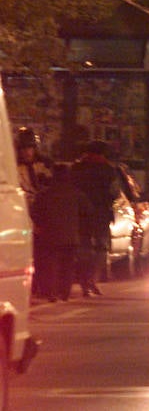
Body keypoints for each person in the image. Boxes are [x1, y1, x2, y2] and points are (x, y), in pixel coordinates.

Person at [70, 140, 133, 297]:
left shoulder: (76, 169)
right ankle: (92, 280)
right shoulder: (108, 170)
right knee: (101, 248)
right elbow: (115, 192)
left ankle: (84, 281)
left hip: (80, 215)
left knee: (84, 248)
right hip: (101, 214)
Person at [30, 163, 94, 302]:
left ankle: (51, 292)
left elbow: (34, 212)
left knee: (50, 264)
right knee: (68, 265)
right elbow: (88, 211)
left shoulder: (44, 194)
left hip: (49, 234)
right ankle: (64, 293)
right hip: (71, 235)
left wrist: (41, 225)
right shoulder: (77, 194)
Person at [15, 127, 53, 214]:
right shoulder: (16, 168)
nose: (27, 152)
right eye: (23, 148)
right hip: (26, 208)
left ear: (34, 148)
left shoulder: (44, 165)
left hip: (45, 207)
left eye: (29, 147)